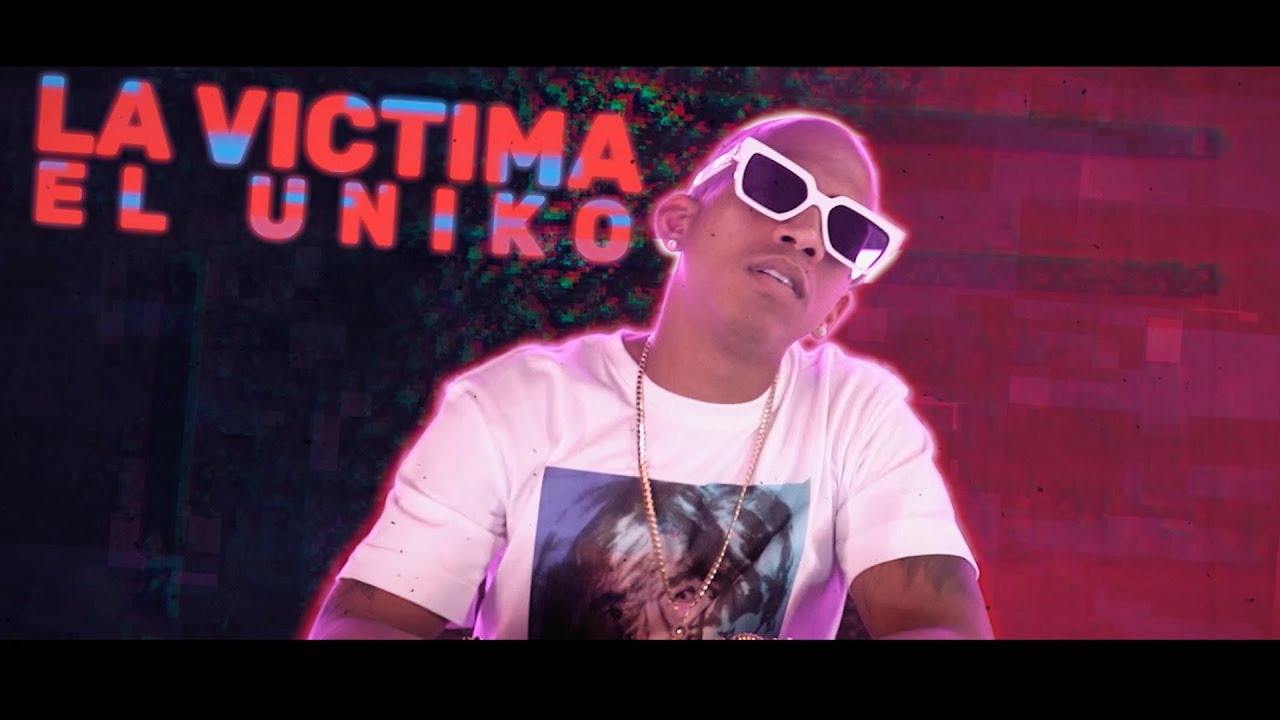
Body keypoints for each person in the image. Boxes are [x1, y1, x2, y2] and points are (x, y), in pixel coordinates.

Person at [306, 109, 995, 640]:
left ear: (834, 309)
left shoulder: (857, 413)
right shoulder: (513, 402)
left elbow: (937, 622)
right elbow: (371, 618)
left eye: (847, 233)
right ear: (678, 221)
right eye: (777, 187)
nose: (808, 235)